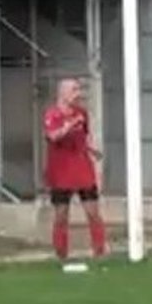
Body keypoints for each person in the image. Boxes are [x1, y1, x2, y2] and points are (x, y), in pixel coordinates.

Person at [43, 78, 107, 262]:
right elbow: (52, 136)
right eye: (73, 90)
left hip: (83, 170)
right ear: (62, 93)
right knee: (61, 215)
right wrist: (68, 125)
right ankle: (61, 253)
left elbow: (85, 137)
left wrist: (92, 149)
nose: (78, 94)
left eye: (78, 89)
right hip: (61, 173)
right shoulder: (52, 114)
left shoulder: (82, 114)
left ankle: (99, 250)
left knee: (93, 212)